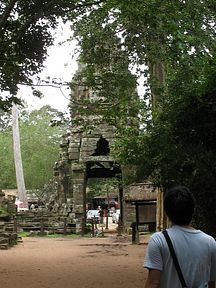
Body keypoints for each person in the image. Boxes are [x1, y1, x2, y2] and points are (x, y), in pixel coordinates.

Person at [144, 185, 216, 288]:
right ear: (193, 210)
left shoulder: (159, 240)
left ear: (166, 212)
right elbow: (211, 283)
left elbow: (153, 283)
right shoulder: (210, 242)